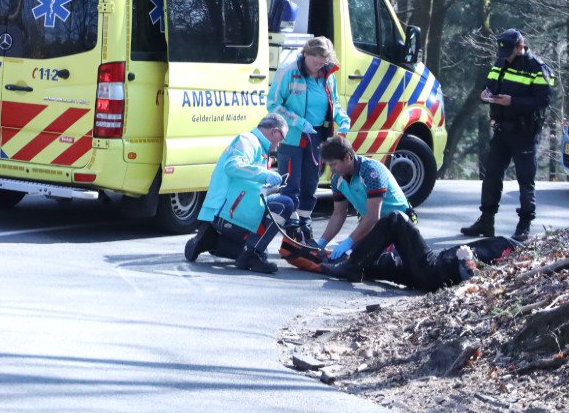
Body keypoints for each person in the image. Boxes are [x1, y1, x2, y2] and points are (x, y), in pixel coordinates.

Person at [317, 137, 483, 292]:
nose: (332, 170)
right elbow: (338, 215)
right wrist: (322, 243)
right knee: (360, 263)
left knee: (388, 264)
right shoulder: (337, 180)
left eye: (334, 164)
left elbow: (373, 216)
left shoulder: (371, 171)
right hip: (375, 229)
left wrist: (348, 242)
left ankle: (457, 264)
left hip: (397, 226)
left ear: (347, 157)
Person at [461, 29, 553, 242]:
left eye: (509, 53)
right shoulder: (500, 63)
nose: (505, 58)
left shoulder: (537, 68)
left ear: (520, 47)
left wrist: (514, 102)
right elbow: (489, 86)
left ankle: (524, 224)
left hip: (525, 132)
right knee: (491, 175)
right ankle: (486, 220)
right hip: (502, 129)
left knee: (525, 179)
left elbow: (544, 99)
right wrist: (485, 95)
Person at [186, 114, 298, 273]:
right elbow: (232, 166)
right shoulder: (248, 141)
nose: (279, 145)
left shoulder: (257, 147)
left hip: (227, 211)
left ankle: (211, 241)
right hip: (226, 211)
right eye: (282, 138)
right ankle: (250, 254)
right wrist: (265, 175)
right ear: (275, 132)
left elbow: (249, 184)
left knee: (261, 250)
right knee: (284, 204)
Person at [266, 36, 350, 244]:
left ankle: (305, 224)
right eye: (315, 62)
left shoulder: (328, 76)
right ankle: (293, 227)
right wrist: (297, 121)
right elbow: (273, 105)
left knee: (311, 183)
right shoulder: (288, 72)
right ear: (306, 54)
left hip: (317, 137)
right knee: (291, 184)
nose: (319, 67)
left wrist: (341, 117)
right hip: (293, 137)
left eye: (323, 63)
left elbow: (334, 103)